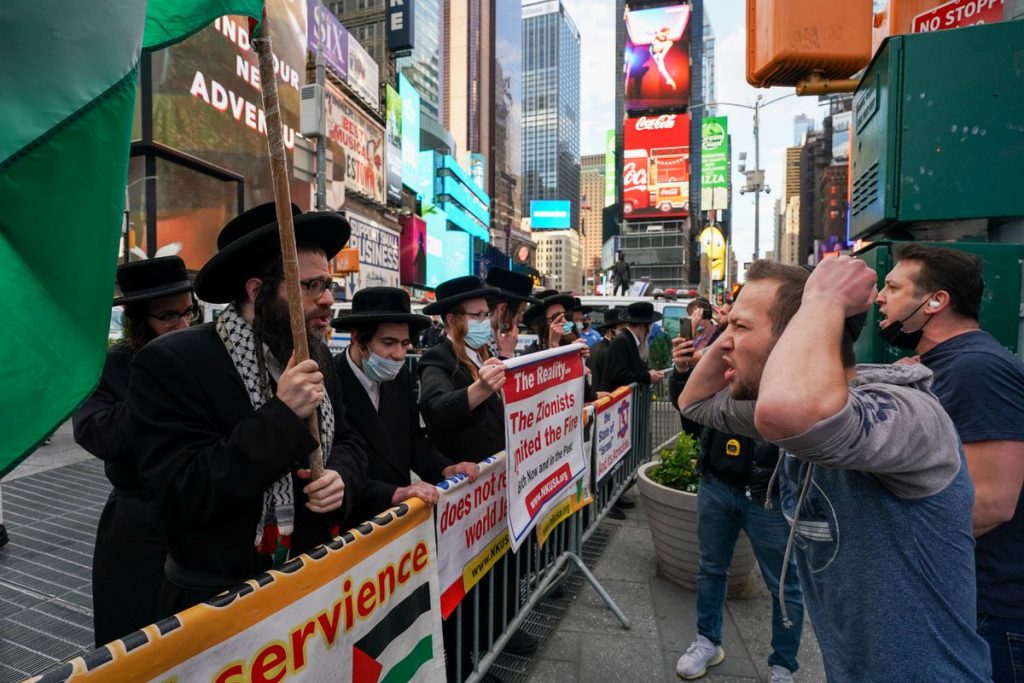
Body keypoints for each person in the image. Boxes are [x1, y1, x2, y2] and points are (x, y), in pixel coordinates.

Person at [679, 258, 991, 681]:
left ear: (797, 337)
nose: (723, 341)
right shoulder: (801, 408)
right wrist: (744, 320)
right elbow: (694, 403)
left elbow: (784, 411)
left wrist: (821, 299)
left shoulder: (907, 413)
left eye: (741, 328)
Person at [127, 202, 368, 617]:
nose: (329, 299)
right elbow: (183, 492)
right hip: (221, 606)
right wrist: (282, 414)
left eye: (328, 284)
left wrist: (341, 478)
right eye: (311, 286)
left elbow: (348, 439)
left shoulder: (318, 355)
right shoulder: (173, 361)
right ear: (257, 291)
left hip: (313, 587)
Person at [877, 243, 1024, 682]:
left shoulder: (976, 369)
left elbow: (993, 502)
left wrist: (886, 547)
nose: (880, 298)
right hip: (958, 597)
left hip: (987, 610)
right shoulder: (938, 364)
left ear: (935, 301)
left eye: (892, 286)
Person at [72, 256, 196, 646]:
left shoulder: (204, 356)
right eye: (168, 317)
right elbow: (97, 434)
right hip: (136, 529)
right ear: (138, 321)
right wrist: (153, 383)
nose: (182, 325)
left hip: (196, 519)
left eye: (188, 312)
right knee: (133, 642)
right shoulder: (110, 368)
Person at [669, 332, 803, 682]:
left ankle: (783, 666)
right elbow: (691, 421)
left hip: (767, 497)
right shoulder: (725, 354)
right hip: (717, 485)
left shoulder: (792, 353)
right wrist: (683, 372)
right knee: (711, 567)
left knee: (785, 585)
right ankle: (707, 641)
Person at [331, 287, 479, 520]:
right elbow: (335, 469)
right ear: (358, 338)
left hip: (398, 526)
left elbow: (413, 440)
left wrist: (445, 468)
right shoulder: (331, 381)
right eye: (388, 342)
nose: (399, 354)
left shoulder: (400, 377)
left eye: (404, 343)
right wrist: (394, 493)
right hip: (355, 523)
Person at [418, 276, 505, 463]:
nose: (486, 322)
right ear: (452, 319)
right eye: (478, 315)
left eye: (487, 314)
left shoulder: (484, 354)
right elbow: (435, 409)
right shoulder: (437, 358)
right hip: (466, 477)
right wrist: (481, 388)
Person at [601, 301, 665, 392]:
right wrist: (648, 376)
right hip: (615, 400)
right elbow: (619, 374)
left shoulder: (632, 340)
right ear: (644, 326)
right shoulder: (622, 342)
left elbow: (635, 369)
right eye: (651, 325)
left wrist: (650, 372)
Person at [484, 267, 539, 359]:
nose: (521, 319)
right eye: (519, 312)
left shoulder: (496, 339)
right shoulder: (480, 342)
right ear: (503, 309)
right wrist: (506, 353)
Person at [588, 307, 625, 393]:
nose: (625, 335)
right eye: (622, 330)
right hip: (605, 399)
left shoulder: (595, 347)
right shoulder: (610, 351)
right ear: (611, 331)